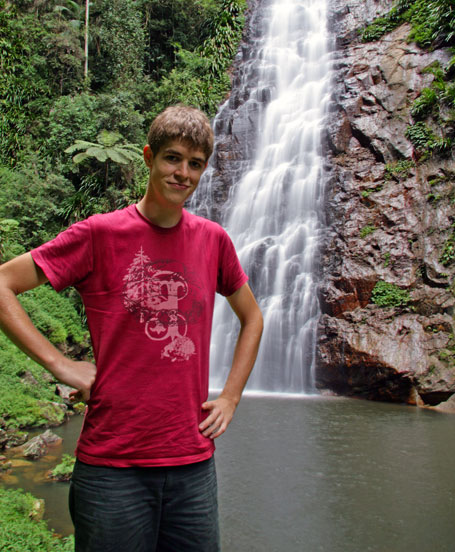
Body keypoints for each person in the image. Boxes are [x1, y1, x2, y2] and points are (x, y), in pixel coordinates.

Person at [0, 105, 263, 552]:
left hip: (192, 464)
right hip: (112, 467)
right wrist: (62, 364)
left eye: (195, 164)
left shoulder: (213, 240)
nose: (183, 173)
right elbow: (4, 283)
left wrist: (232, 395)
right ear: (148, 157)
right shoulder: (100, 235)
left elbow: (252, 317)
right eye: (172, 158)